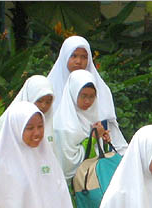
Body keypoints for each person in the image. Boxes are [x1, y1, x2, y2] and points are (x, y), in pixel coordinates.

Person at [47, 35, 127, 178]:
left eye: (84, 57)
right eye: (74, 56)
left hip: (96, 171)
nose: (79, 61)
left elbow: (112, 131)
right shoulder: (49, 89)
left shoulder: (101, 90)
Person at [53, 69, 127, 180]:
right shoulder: (63, 125)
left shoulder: (92, 117)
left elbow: (99, 153)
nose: (88, 101)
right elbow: (68, 165)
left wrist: (103, 139)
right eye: (83, 96)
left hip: (94, 182)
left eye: (92, 96)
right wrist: (93, 138)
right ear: (73, 93)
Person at [0, 76, 56, 152]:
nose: (44, 106)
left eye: (48, 102)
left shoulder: (48, 121)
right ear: (29, 96)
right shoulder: (8, 123)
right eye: (39, 100)